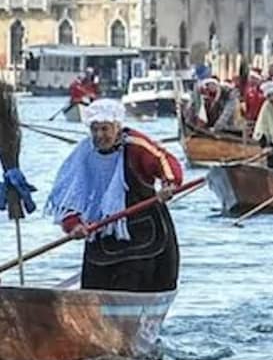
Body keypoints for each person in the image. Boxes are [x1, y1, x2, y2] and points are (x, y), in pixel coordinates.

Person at [46, 99, 182, 292]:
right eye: (95, 130)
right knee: (93, 287)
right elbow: (71, 194)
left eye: (105, 129)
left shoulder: (136, 145)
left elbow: (165, 160)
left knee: (138, 281)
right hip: (101, 236)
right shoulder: (84, 154)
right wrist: (73, 225)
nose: (99, 135)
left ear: (117, 127)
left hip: (143, 235)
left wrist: (169, 184)